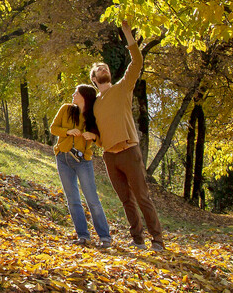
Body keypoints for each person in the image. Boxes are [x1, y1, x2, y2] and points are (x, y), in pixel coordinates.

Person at [92, 20, 165, 250]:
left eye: (105, 67)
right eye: (98, 69)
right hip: (110, 157)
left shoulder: (122, 88)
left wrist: (128, 34)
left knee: (142, 197)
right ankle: (137, 240)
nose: (103, 68)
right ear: (94, 79)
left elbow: (137, 62)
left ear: (109, 75)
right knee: (126, 200)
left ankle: (158, 240)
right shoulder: (94, 104)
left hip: (129, 151)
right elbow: (95, 133)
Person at [49, 84, 111, 248]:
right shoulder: (66, 109)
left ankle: (105, 237)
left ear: (85, 96)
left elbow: (102, 140)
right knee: (73, 199)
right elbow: (53, 128)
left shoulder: (93, 116)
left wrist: (93, 136)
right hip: (63, 157)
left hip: (83, 160)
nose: (73, 94)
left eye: (76, 92)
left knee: (92, 199)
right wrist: (68, 132)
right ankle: (83, 236)